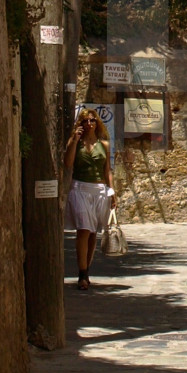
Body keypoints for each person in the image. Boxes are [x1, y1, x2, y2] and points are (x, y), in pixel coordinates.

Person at [63, 109, 114, 291]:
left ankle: (86, 269)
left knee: (93, 232)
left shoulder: (104, 145)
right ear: (80, 124)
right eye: (85, 121)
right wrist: (74, 140)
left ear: (97, 122)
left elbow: (107, 170)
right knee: (84, 229)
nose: (89, 124)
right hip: (80, 188)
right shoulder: (75, 143)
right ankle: (82, 274)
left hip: (99, 190)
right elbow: (67, 164)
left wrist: (112, 191)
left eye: (92, 120)